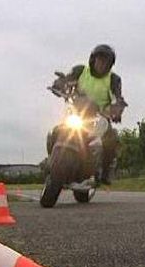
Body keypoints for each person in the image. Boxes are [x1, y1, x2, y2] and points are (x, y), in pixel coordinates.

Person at [51, 44, 128, 185]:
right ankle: (55, 160)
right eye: (100, 59)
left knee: (111, 139)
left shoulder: (113, 79)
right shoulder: (80, 71)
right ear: (93, 59)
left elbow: (118, 97)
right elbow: (67, 79)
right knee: (56, 131)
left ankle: (105, 173)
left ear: (110, 65)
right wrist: (59, 84)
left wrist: (117, 109)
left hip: (100, 118)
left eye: (106, 62)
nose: (102, 64)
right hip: (77, 112)